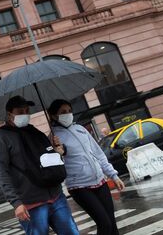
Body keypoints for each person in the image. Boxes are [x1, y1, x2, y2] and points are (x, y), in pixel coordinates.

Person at [0, 95, 79, 235]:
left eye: (27, 111)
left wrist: (56, 149)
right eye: (20, 112)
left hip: (56, 196)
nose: (25, 115)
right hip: (31, 203)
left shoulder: (34, 131)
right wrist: (16, 203)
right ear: (10, 115)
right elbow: (1, 171)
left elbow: (48, 158)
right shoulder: (2, 136)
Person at [48, 99, 125, 235]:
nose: (68, 114)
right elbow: (54, 164)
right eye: (63, 112)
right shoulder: (53, 137)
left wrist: (113, 175)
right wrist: (58, 152)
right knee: (104, 224)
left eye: (69, 111)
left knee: (112, 225)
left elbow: (98, 153)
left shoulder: (80, 129)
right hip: (80, 187)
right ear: (54, 116)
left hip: (100, 181)